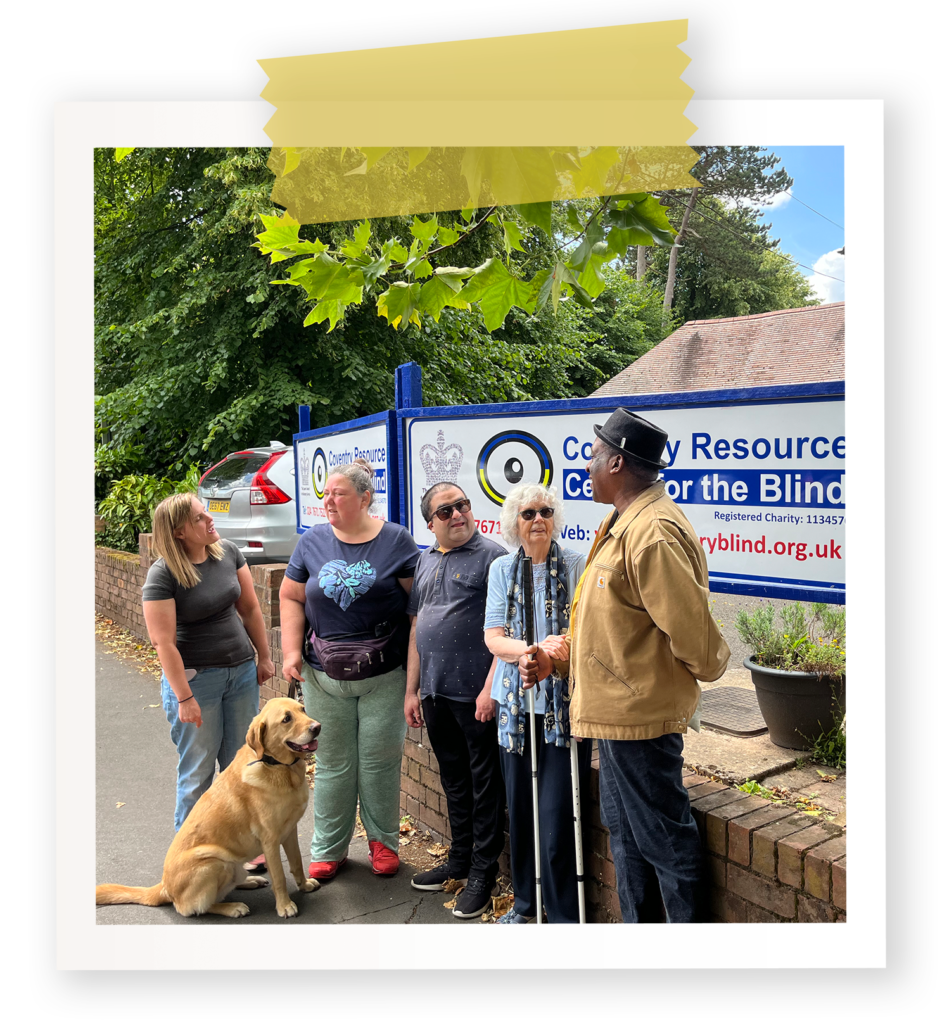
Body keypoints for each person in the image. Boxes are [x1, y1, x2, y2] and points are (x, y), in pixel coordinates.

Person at [519, 408, 730, 923]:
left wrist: (662, 681)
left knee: (662, 840)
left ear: (616, 463)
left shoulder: (651, 532)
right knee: (629, 838)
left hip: (639, 720)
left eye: (593, 455)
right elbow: (605, 622)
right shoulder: (620, 520)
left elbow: (695, 638)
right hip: (615, 716)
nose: (587, 465)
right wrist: (556, 660)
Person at [280, 459, 419, 880]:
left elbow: (418, 609)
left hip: (385, 675)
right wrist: (290, 651)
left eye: (338, 493)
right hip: (323, 674)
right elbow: (291, 596)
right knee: (334, 763)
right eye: (325, 494)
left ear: (364, 497)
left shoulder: (397, 541)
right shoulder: (312, 542)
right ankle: (329, 848)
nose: (328, 501)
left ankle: (383, 843)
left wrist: (415, 675)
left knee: (378, 761)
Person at [483, 483, 590, 924]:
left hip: (563, 707)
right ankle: (527, 907)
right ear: (514, 523)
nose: (538, 520)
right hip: (515, 706)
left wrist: (553, 651)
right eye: (528, 514)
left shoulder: (575, 563)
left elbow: (586, 632)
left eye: (546, 511)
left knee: (558, 816)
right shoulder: (502, 570)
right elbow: (493, 637)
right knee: (522, 813)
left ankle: (564, 917)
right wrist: (531, 649)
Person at [143, 492, 275, 834]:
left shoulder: (228, 552)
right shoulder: (164, 574)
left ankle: (243, 849)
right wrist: (184, 698)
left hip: (241, 674)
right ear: (178, 532)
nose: (209, 519)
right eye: (200, 518)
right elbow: (163, 642)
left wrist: (264, 656)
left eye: (206, 513)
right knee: (197, 773)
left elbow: (249, 609)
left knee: (243, 764)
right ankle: (188, 859)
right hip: (197, 683)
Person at [404, 482, 506, 919]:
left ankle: (484, 873)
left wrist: (490, 689)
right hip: (435, 692)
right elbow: (417, 627)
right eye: (446, 511)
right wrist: (412, 689)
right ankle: (459, 860)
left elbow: (509, 630)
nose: (458, 514)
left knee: (486, 786)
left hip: (475, 695)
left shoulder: (495, 557)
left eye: (462, 505)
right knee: (454, 781)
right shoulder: (425, 560)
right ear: (431, 524)